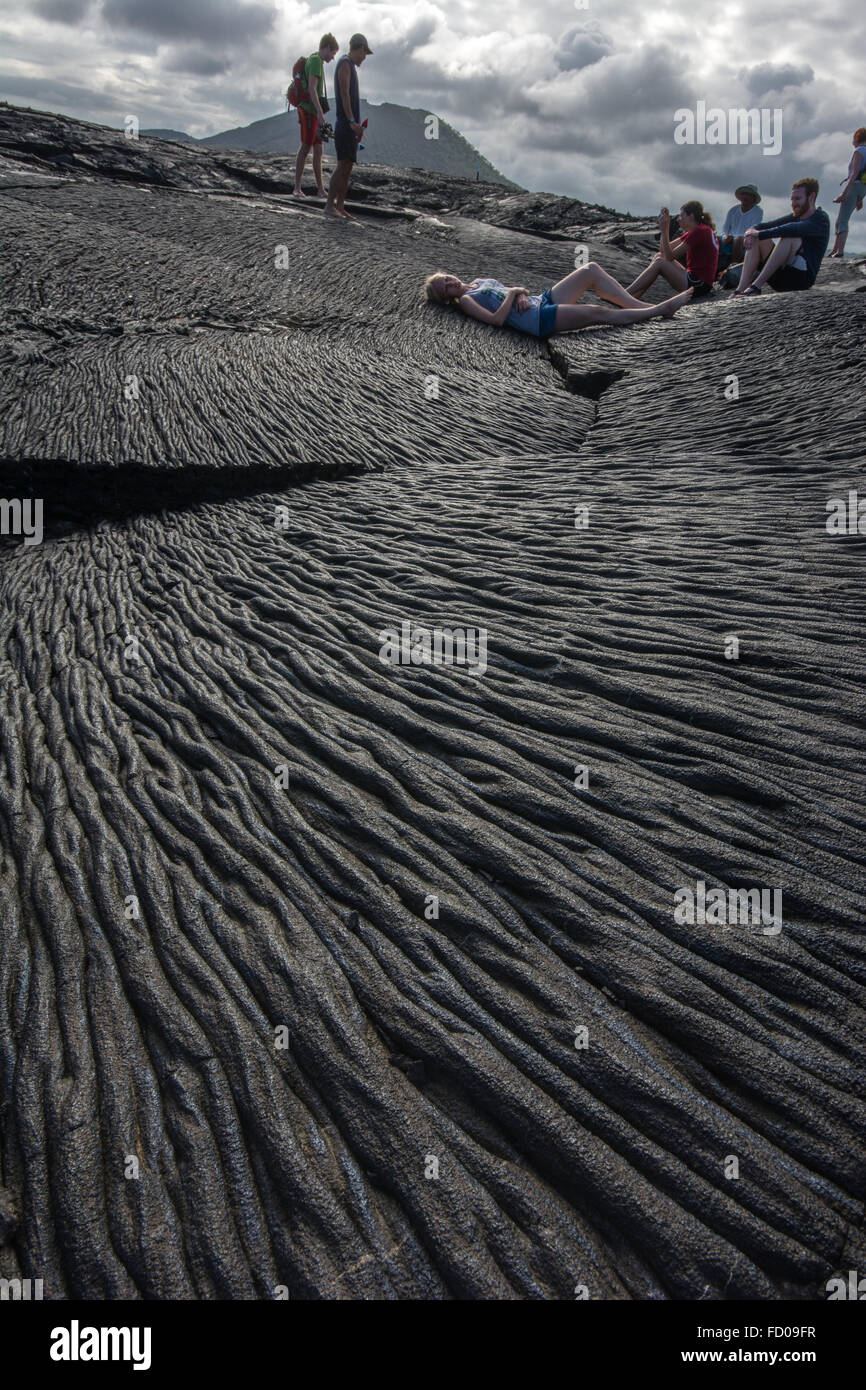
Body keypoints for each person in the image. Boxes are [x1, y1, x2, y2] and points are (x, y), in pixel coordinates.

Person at [424, 265, 693, 335]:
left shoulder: (479, 281)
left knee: (590, 270)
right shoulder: (468, 301)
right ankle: (658, 311)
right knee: (597, 312)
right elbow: (496, 321)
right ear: (447, 299)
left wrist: (518, 292)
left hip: (539, 300)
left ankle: (645, 307)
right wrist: (512, 293)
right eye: (444, 287)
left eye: (446, 277)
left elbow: (520, 291)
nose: (449, 282)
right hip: (537, 320)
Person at [734, 178, 830, 296]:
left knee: (789, 237)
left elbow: (792, 229)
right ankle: (739, 290)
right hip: (780, 276)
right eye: (792, 199)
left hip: (801, 280)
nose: (794, 203)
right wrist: (750, 232)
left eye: (798, 199)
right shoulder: (797, 215)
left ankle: (756, 286)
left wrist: (759, 233)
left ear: (811, 197)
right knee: (757, 238)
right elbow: (766, 225)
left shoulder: (820, 219)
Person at [626, 202, 719, 300]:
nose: (679, 219)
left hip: (699, 284)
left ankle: (625, 294)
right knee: (659, 256)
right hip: (697, 281)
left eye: (681, 216)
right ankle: (632, 299)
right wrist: (666, 227)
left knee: (659, 263)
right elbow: (663, 251)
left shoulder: (700, 231)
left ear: (691, 216)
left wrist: (663, 230)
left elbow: (669, 256)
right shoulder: (698, 230)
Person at [325, 33, 372, 221]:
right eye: (364, 54)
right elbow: (344, 94)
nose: (364, 58)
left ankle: (340, 206)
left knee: (348, 166)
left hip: (350, 127)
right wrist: (352, 121)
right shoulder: (345, 63)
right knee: (342, 164)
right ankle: (329, 206)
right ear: (359, 49)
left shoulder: (350, 65)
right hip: (345, 125)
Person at [293, 34, 339, 199]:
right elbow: (312, 88)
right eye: (333, 53)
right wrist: (320, 113)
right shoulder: (315, 61)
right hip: (309, 111)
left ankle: (320, 189)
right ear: (327, 48)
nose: (333, 58)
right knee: (306, 146)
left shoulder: (316, 61)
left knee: (318, 149)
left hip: (314, 112)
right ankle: (297, 188)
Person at [829, 127, 866, 257]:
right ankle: (835, 249)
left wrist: (842, 194)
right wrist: (860, 199)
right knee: (840, 220)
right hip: (862, 188)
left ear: (857, 139)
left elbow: (854, 174)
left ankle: (839, 250)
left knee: (842, 220)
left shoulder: (859, 151)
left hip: (853, 187)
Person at [717, 184, 762, 275]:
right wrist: (726, 236)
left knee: (738, 240)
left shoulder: (758, 211)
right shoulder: (733, 210)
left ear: (753, 198)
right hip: (729, 239)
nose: (745, 196)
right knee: (714, 238)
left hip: (745, 240)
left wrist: (734, 237)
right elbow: (725, 228)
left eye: (748, 194)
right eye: (744, 194)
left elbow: (753, 229)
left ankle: (733, 268)